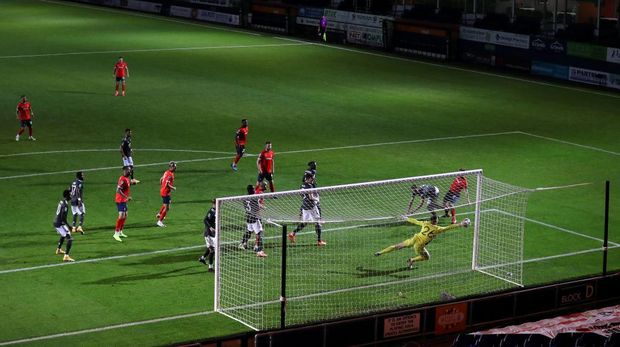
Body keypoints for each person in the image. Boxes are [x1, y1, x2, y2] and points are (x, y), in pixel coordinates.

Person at [374, 215, 470, 269]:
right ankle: (412, 260)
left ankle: (380, 252)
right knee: (427, 257)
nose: (437, 221)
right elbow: (449, 227)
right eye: (437, 220)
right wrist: (461, 224)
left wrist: (406, 218)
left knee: (397, 246)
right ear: (435, 221)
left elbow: (415, 221)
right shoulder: (438, 229)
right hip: (419, 246)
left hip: (414, 239)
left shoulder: (425, 223)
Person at [288, 173, 326, 246]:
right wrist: (317, 199)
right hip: (312, 206)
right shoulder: (309, 186)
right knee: (318, 222)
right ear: (309, 178)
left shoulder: (302, 185)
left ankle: (292, 233)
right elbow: (311, 197)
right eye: (312, 178)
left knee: (305, 223)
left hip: (305, 206)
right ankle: (319, 241)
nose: (313, 180)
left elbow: (302, 195)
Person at [239, 185, 267, 257]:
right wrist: (259, 217)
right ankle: (259, 251)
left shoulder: (244, 198)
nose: (255, 189)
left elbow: (249, 206)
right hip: (254, 218)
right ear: (252, 190)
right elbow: (257, 208)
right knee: (259, 232)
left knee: (249, 231)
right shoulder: (254, 198)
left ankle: (242, 243)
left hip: (248, 217)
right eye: (254, 189)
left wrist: (262, 207)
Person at [114, 166, 138, 242]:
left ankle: (120, 231)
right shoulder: (122, 179)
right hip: (120, 200)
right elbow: (118, 190)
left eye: (130, 171)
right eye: (128, 171)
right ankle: (116, 233)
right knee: (121, 215)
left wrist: (132, 183)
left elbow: (127, 185)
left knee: (125, 215)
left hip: (124, 200)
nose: (129, 172)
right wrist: (126, 197)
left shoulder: (127, 179)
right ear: (125, 171)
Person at [54, 190, 75, 262]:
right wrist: (69, 226)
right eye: (70, 195)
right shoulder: (65, 205)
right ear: (67, 196)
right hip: (60, 223)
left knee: (63, 235)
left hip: (56, 221)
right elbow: (63, 218)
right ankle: (66, 256)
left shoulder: (62, 201)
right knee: (70, 239)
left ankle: (58, 249)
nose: (71, 196)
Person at [156, 161, 177, 227]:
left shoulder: (166, 172)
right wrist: (173, 188)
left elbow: (161, 179)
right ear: (171, 167)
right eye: (174, 167)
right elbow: (167, 184)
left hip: (164, 191)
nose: (175, 168)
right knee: (167, 208)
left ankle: (159, 214)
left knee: (168, 202)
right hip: (165, 192)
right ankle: (160, 221)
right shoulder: (170, 174)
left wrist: (162, 185)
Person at [199, 199, 216, 272]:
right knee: (212, 250)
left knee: (212, 248)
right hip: (208, 234)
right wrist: (210, 227)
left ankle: (202, 258)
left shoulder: (217, 211)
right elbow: (205, 220)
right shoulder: (212, 211)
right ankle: (210, 267)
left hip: (213, 233)